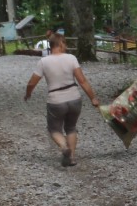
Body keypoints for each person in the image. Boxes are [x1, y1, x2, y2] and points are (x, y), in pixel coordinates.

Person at [24, 33, 100, 167]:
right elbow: (82, 81)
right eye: (64, 43)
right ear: (60, 44)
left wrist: (28, 94)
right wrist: (93, 98)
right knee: (71, 128)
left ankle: (64, 147)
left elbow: (31, 83)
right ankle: (71, 158)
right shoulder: (71, 58)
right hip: (74, 98)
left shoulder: (44, 62)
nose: (66, 46)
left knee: (54, 129)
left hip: (56, 100)